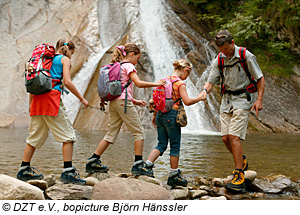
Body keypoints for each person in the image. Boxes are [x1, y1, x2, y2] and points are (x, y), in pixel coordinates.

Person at [85, 43, 166, 176]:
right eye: (137, 58)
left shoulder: (117, 66)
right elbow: (139, 83)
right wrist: (156, 83)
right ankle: (138, 165)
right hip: (123, 103)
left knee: (110, 134)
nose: (137, 61)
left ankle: (93, 160)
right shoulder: (128, 66)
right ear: (132, 54)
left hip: (115, 103)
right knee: (139, 133)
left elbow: (120, 90)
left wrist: (135, 101)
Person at [17, 39, 89, 185]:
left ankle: (24, 169)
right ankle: (68, 172)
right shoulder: (64, 60)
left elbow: (33, 80)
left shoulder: (42, 60)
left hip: (37, 101)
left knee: (33, 138)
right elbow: (67, 82)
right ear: (70, 51)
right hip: (51, 100)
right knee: (68, 136)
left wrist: (31, 104)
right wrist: (82, 99)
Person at [201, 30, 265, 193]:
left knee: (234, 137)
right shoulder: (219, 59)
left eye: (227, 50)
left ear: (232, 42)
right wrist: (204, 91)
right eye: (221, 51)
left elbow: (260, 78)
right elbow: (211, 81)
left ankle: (239, 174)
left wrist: (259, 99)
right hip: (226, 100)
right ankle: (241, 160)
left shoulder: (245, 55)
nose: (225, 53)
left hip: (243, 98)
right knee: (225, 138)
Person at [144, 59, 206, 187]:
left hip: (160, 115)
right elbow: (187, 101)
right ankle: (173, 175)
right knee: (175, 146)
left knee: (161, 143)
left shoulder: (164, 80)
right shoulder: (179, 83)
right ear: (184, 70)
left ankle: (147, 166)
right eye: (187, 75)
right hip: (172, 116)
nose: (186, 78)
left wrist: (155, 116)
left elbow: (157, 99)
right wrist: (200, 98)